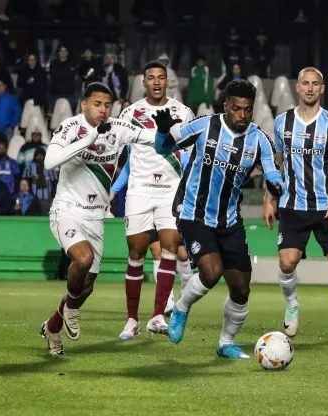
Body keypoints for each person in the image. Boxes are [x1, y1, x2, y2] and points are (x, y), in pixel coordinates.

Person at [153, 79, 285, 359]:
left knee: (241, 289)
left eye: (247, 110)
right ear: (226, 106)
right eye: (236, 109)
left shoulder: (259, 139)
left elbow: (273, 172)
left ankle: (225, 342)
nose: (242, 115)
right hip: (193, 214)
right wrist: (162, 130)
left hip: (229, 220)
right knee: (211, 273)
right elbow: (164, 147)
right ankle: (181, 308)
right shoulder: (204, 126)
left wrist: (276, 186)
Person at [39, 82, 157, 356]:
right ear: (84, 104)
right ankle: (69, 308)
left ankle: (53, 327)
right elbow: (49, 161)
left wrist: (173, 132)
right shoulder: (70, 127)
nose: (103, 110)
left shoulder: (118, 128)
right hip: (67, 210)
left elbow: (152, 139)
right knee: (83, 259)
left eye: (107, 104)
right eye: (97, 104)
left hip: (96, 217)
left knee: (87, 287)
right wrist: (88, 140)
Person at [263, 67, 328, 342]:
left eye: (314, 84)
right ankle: (292, 306)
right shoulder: (282, 122)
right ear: (297, 87)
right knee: (286, 262)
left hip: (327, 206)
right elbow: (276, 164)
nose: (309, 88)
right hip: (293, 205)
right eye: (304, 83)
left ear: (322, 88)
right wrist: (270, 198)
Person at [110, 60, 196, 340]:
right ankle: (132, 319)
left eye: (162, 77)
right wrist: (110, 188)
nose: (157, 82)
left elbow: (191, 154)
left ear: (168, 81)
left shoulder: (183, 112)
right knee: (136, 253)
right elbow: (117, 154)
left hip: (170, 191)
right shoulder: (130, 112)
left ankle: (159, 315)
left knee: (170, 247)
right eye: (151, 78)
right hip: (139, 191)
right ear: (144, 82)